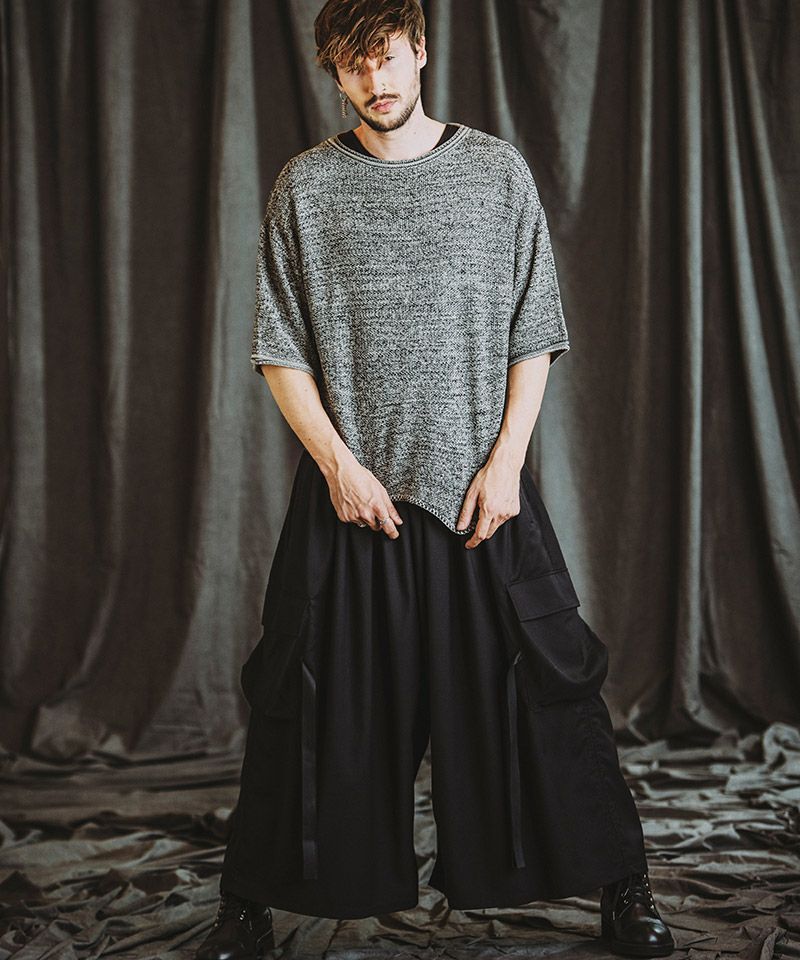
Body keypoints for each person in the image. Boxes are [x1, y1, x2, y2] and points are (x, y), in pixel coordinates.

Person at [194, 2, 675, 958]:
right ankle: (245, 906)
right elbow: (281, 349)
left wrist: (507, 464)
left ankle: (626, 890)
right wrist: (338, 467)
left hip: (480, 498)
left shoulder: (497, 173)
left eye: (386, 55)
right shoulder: (305, 188)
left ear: (419, 49)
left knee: (553, 697)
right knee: (304, 708)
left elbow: (534, 330)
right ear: (333, 73)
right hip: (352, 501)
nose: (374, 79)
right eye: (352, 63)